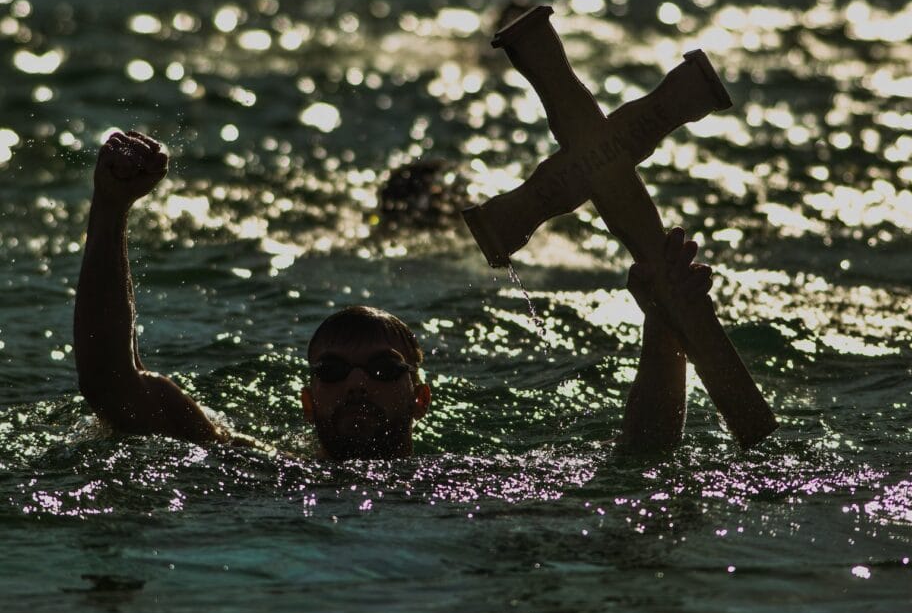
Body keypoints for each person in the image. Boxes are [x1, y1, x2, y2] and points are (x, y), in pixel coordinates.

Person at [74, 131, 713, 459]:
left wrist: (663, 331)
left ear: (421, 397)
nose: (357, 383)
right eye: (332, 370)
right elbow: (112, 384)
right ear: (306, 399)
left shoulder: (457, 484)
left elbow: (643, 455)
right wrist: (111, 209)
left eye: (383, 369)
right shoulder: (259, 469)